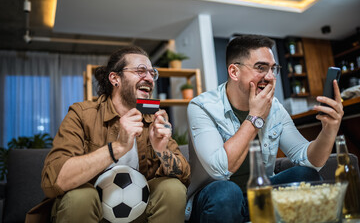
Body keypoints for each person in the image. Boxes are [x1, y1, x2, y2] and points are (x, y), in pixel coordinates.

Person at [185, 35, 344, 222]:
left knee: (306, 175)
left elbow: (310, 161)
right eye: (261, 68)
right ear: (234, 72)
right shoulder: (201, 106)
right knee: (227, 191)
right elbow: (220, 171)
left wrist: (329, 130)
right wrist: (255, 118)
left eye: (273, 69)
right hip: (216, 199)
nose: (270, 77)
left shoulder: (275, 107)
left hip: (260, 193)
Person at [38, 46, 190, 223]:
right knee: (80, 197)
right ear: (115, 78)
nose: (149, 78)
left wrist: (162, 151)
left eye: (152, 73)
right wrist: (117, 148)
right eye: (141, 71)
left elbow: (185, 177)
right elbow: (53, 181)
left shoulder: (153, 118)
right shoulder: (82, 114)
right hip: (91, 210)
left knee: (172, 188)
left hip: (139, 211)